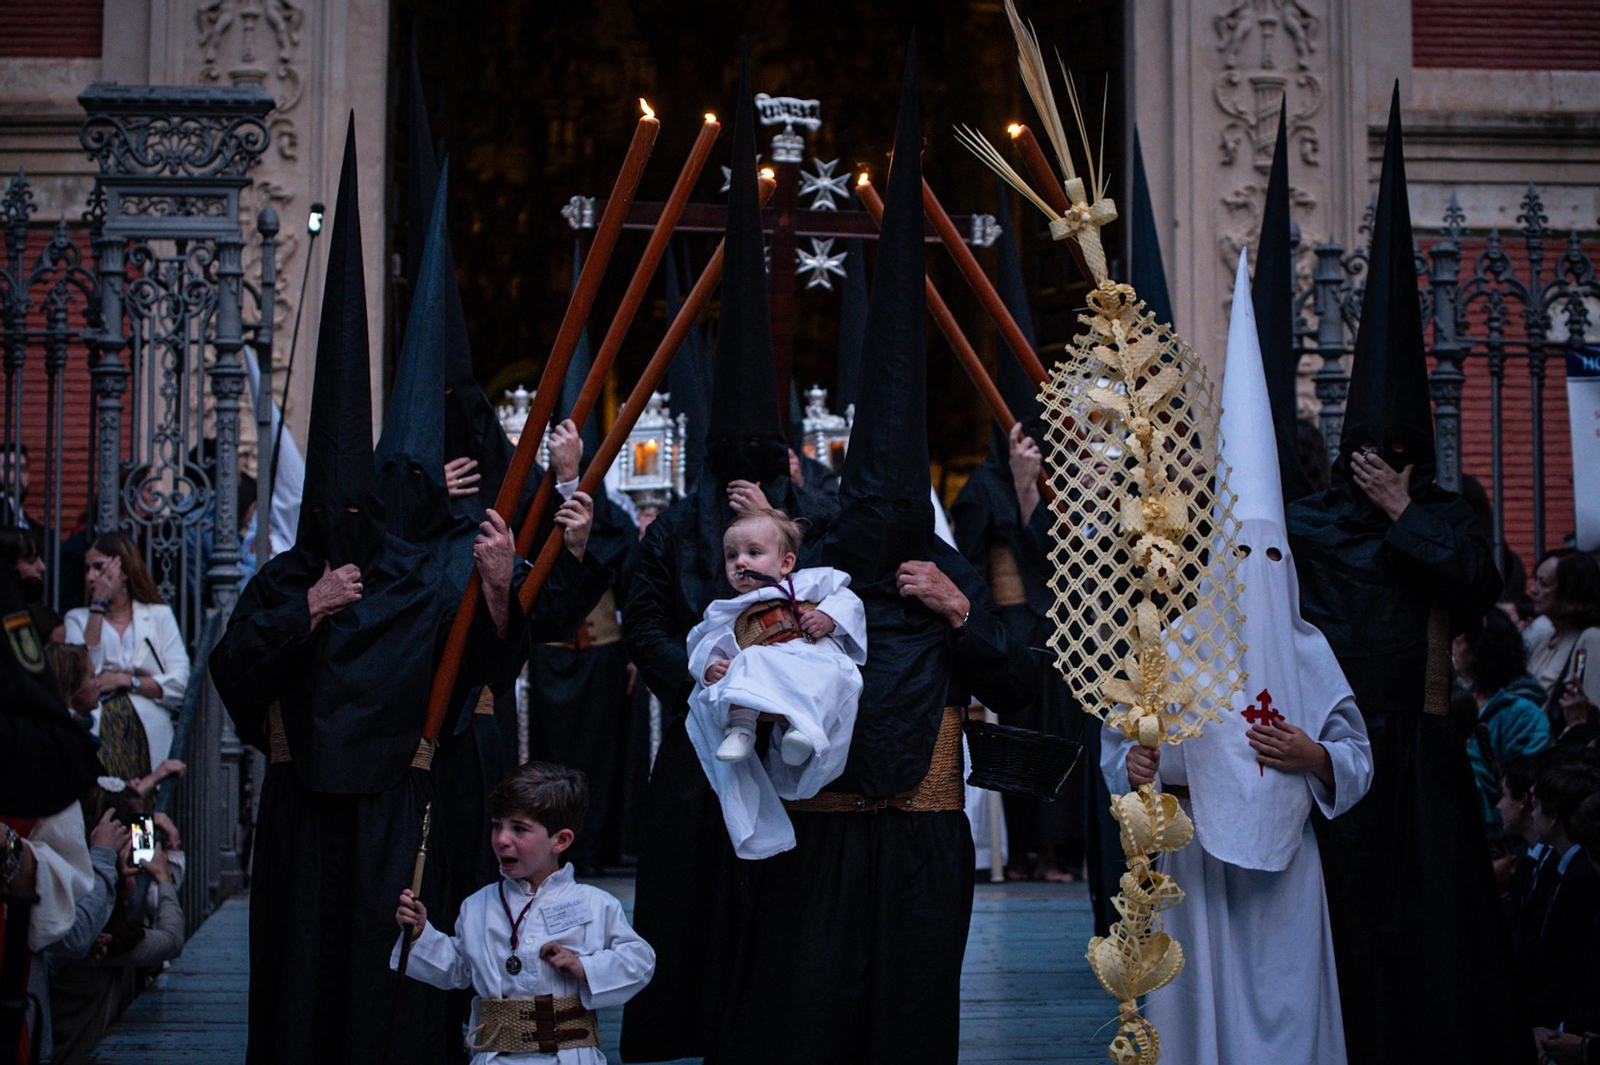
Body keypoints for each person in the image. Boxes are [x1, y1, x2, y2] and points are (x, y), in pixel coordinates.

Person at [207, 120, 578, 1065]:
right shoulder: (288, 577)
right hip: (300, 817)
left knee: (393, 990)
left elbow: (488, 658)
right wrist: (307, 610)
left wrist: (497, 587)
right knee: (301, 982)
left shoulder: (425, 572)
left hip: (396, 817)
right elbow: (235, 672)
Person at [722, 44, 1039, 1064]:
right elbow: (734, 664)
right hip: (820, 834)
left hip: (922, 835)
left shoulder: (947, 584)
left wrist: (958, 610)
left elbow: (1022, 681)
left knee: (911, 1016)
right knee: (812, 1013)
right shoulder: (812, 581)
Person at [1282, 89, 1531, 1064]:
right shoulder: (1310, 523)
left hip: (1422, 758)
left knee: (1429, 944)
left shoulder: (1442, 514)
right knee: (1340, 933)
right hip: (1335, 749)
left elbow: (1476, 582)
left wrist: (1402, 512)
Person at [617, 52, 839, 1062]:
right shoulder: (675, 526)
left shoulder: (806, 512)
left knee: (782, 893)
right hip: (697, 736)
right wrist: (695, 674)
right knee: (692, 891)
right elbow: (644, 620)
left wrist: (784, 532)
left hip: (787, 741)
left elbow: (836, 593)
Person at [1101, 251, 1374, 1065]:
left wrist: (1314, 754)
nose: (1255, 573)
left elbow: (1358, 756)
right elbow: (1121, 745)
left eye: (1270, 556)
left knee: (1290, 1010)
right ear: (1216, 561)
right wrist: (1137, 762)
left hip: (1288, 865)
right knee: (1202, 1018)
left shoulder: (1310, 649)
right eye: (1239, 556)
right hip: (1197, 862)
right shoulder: (1172, 644)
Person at [392, 762, 654, 1063]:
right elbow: (460, 969)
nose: (502, 839)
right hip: (496, 1057)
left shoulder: (595, 904)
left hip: (568, 1057)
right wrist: (420, 935)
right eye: (497, 825)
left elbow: (640, 961)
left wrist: (585, 967)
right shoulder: (478, 906)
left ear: (561, 840)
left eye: (519, 828)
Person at [685, 509, 865, 859]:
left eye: (753, 553)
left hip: (811, 657)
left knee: (834, 675)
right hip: (766, 668)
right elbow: (702, 642)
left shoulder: (811, 583)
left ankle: (804, 731)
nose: (740, 562)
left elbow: (848, 600)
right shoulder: (726, 610)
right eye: (732, 555)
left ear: (786, 563)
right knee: (748, 663)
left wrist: (828, 618)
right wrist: (710, 667)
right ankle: (742, 729)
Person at [62, 531, 191, 778]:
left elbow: (179, 684)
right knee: (105, 794)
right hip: (98, 727)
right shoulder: (77, 619)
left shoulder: (158, 616)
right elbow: (80, 676)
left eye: (99, 567)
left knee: (145, 798)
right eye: (87, 569)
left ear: (124, 571)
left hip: (147, 732)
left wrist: (126, 680)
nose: (91, 577)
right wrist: (97, 606)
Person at [1521, 756, 1600, 1031]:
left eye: (1536, 807)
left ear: (1553, 817)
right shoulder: (1563, 867)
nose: (1531, 814)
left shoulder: (1581, 879)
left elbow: (1570, 965)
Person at [1455, 609, 1552, 826]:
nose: (1454, 649)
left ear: (1479, 650)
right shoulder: (1459, 699)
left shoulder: (1524, 714)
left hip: (1498, 827)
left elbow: (1522, 783)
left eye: (1459, 642)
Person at [1524, 549, 1600, 736]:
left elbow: (1590, 712)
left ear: (1571, 593)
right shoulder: (1542, 632)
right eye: (1536, 580)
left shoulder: (1592, 639)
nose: (1533, 590)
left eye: (1544, 584)